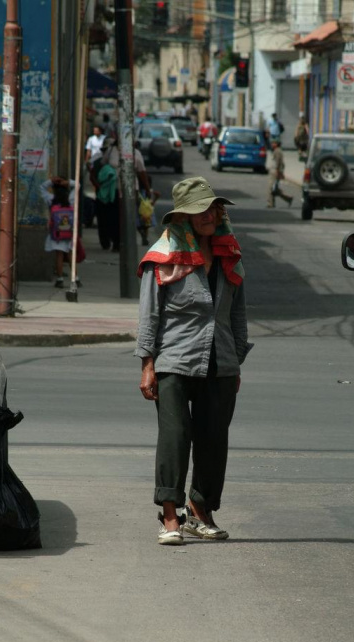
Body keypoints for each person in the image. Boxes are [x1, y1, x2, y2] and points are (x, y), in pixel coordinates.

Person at [135, 177, 252, 546]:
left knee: (214, 439)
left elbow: (238, 314)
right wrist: (147, 363)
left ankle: (200, 511)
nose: (210, 215)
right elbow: (149, 314)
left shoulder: (229, 255)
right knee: (175, 436)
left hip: (221, 362)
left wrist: (236, 361)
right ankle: (170, 517)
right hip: (174, 360)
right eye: (201, 209)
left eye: (213, 208)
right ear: (183, 216)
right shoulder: (163, 256)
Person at [91, 136, 151, 251]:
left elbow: (142, 172)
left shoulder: (136, 153)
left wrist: (148, 189)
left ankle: (126, 242)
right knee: (113, 218)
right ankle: (116, 242)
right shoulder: (111, 150)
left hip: (130, 191)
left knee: (128, 218)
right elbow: (103, 165)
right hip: (113, 190)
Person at [40, 176, 81, 288]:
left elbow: (42, 188)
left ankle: (60, 279)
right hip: (69, 232)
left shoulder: (51, 199)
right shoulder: (70, 200)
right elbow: (77, 185)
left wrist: (51, 181)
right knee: (70, 255)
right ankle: (76, 279)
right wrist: (68, 182)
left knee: (59, 255)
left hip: (56, 233)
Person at [267, 141, 293, 208]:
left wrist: (278, 172)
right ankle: (288, 198)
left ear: (277, 144)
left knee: (271, 188)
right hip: (275, 171)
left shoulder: (277, 151)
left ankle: (271, 203)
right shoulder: (277, 151)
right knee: (274, 189)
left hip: (275, 171)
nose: (272, 144)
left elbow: (278, 162)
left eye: (273, 143)